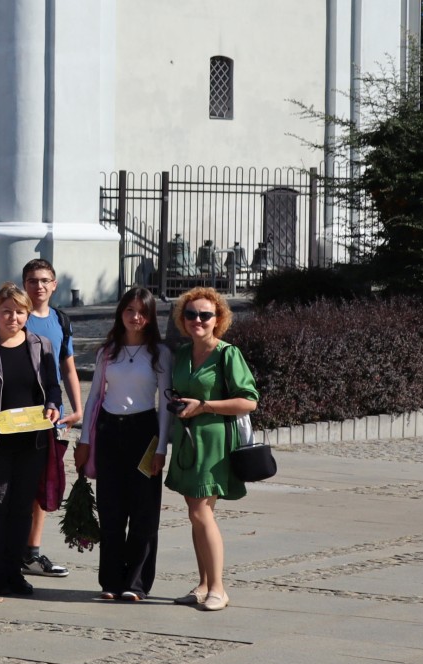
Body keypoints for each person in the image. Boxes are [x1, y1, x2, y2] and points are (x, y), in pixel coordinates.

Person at [0, 283, 63, 596]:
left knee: (21, 508)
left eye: (19, 312)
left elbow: (52, 386)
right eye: (7, 311)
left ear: (27, 314)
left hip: (31, 440)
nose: (13, 317)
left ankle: (14, 572)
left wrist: (53, 407)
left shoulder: (41, 345)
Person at [164, 287, 258, 612]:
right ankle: (203, 585)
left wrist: (204, 406)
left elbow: (249, 400)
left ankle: (219, 588)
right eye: (191, 315)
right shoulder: (182, 354)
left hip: (215, 441)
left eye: (206, 315)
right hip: (188, 440)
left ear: (218, 319)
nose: (198, 321)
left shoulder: (227, 353)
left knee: (200, 512)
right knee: (197, 514)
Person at [75, 288, 171, 602]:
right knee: (111, 510)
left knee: (144, 512)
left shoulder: (160, 353)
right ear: (121, 312)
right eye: (129, 310)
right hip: (108, 431)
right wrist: (85, 441)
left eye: (142, 312)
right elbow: (93, 399)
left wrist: (161, 448)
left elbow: (165, 404)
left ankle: (137, 583)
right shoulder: (108, 351)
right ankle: (111, 581)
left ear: (150, 316)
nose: (135, 317)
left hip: (143, 431)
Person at [19, 258, 84, 579]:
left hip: (51, 414)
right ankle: (2, 552)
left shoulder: (60, 320)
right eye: (32, 280)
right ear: (24, 285)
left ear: (54, 285)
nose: (39, 286)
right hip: (18, 416)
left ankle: (31, 551)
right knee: (12, 484)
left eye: (44, 280)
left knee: (43, 487)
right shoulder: (16, 317)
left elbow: (68, 367)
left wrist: (78, 407)